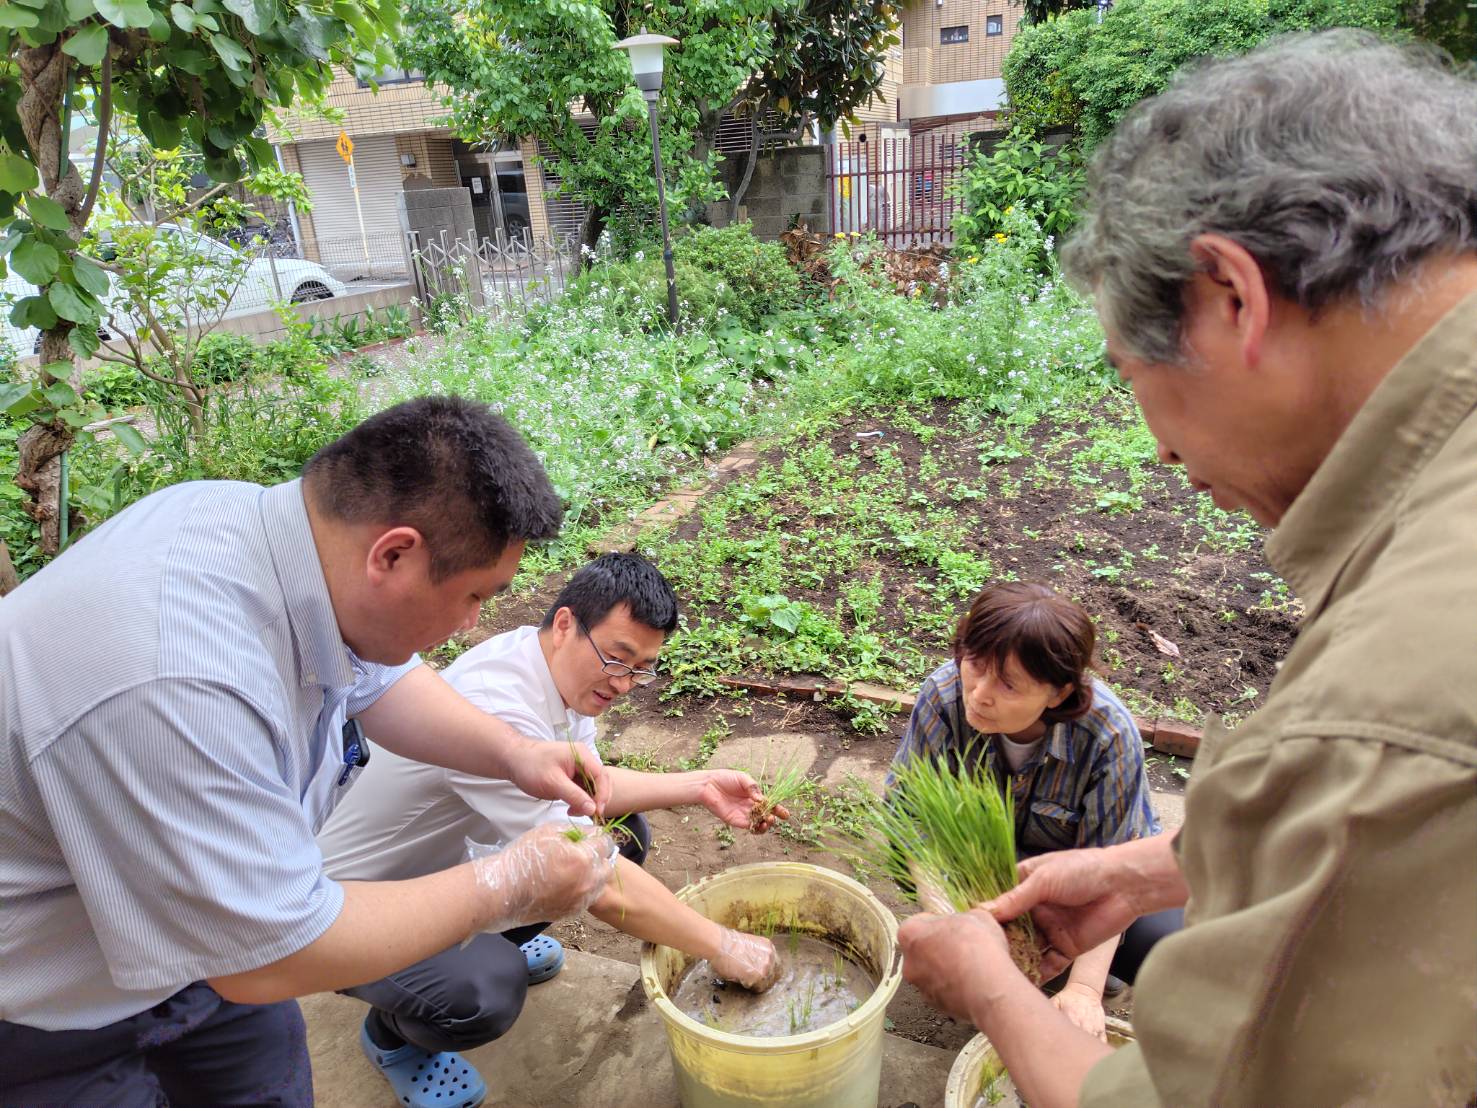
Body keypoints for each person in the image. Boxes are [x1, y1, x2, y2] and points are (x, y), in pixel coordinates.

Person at [897, 30, 1477, 1107]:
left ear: (1230, 295)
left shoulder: (1387, 713)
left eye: (1131, 372)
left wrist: (992, 989)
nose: (1159, 451)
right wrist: (1133, 870)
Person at [0, 396, 618, 1105]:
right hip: (46, 1010)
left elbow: (379, 679)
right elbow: (272, 954)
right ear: (393, 554)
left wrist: (514, 753)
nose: (474, 622)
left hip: (198, 940)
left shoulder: (271, 534)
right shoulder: (177, 678)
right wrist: (508, 885)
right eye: (475, 594)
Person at [317, 552, 785, 1107]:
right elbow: (600, 884)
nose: (625, 682)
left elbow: (590, 786)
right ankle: (392, 1037)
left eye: (642, 668)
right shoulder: (499, 702)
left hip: (446, 869)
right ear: (566, 623)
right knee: (484, 990)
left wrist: (701, 785)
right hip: (352, 906)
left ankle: (497, 934)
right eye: (618, 658)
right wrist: (721, 944)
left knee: (623, 831)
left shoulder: (554, 664)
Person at [889, 581, 1177, 1042]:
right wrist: (958, 924)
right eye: (976, 664)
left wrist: (1084, 989)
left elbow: (1118, 868)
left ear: (1058, 693)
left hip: (1073, 877)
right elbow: (909, 817)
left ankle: (1094, 965)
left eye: (1008, 684)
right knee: (908, 866)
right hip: (978, 864)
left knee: (1162, 935)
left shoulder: (1107, 735)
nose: (980, 694)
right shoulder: (944, 697)